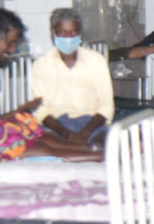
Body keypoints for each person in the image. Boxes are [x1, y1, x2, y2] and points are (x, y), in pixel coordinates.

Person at [0, 8, 101, 161]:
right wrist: (2, 126)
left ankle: (97, 150)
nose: (13, 49)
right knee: (41, 147)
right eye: (10, 42)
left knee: (45, 136)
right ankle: (103, 156)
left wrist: (17, 112)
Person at [31, 8, 113, 146]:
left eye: (73, 32)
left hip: (92, 124)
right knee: (42, 142)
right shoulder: (41, 64)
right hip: (56, 126)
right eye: (62, 32)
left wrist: (85, 133)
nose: (68, 38)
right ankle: (85, 150)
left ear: (80, 33)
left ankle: (83, 149)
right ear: (53, 33)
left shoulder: (97, 61)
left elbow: (106, 107)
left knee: (110, 142)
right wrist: (66, 134)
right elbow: (40, 110)